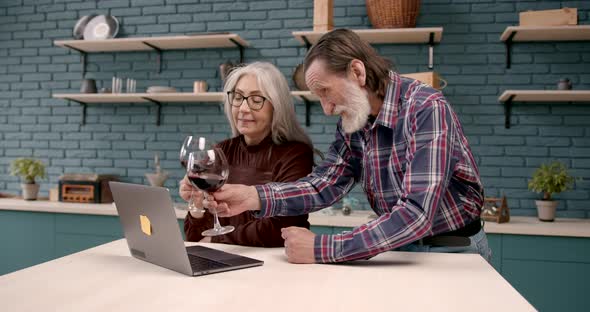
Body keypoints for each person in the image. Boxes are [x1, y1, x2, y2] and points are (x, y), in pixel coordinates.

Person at [207, 29, 491, 264]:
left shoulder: (426, 108)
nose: (327, 109)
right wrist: (253, 196)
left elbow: (416, 214)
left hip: (453, 252)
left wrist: (323, 248)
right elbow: (324, 184)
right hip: (399, 250)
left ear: (357, 72)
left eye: (326, 91)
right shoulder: (354, 122)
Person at [179, 62, 315, 247]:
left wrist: (218, 239)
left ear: (277, 106)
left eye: (256, 100)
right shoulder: (222, 151)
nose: (243, 108)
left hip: (275, 267)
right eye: (238, 97)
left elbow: (282, 226)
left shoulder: (295, 154)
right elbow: (194, 239)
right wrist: (196, 205)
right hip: (226, 262)